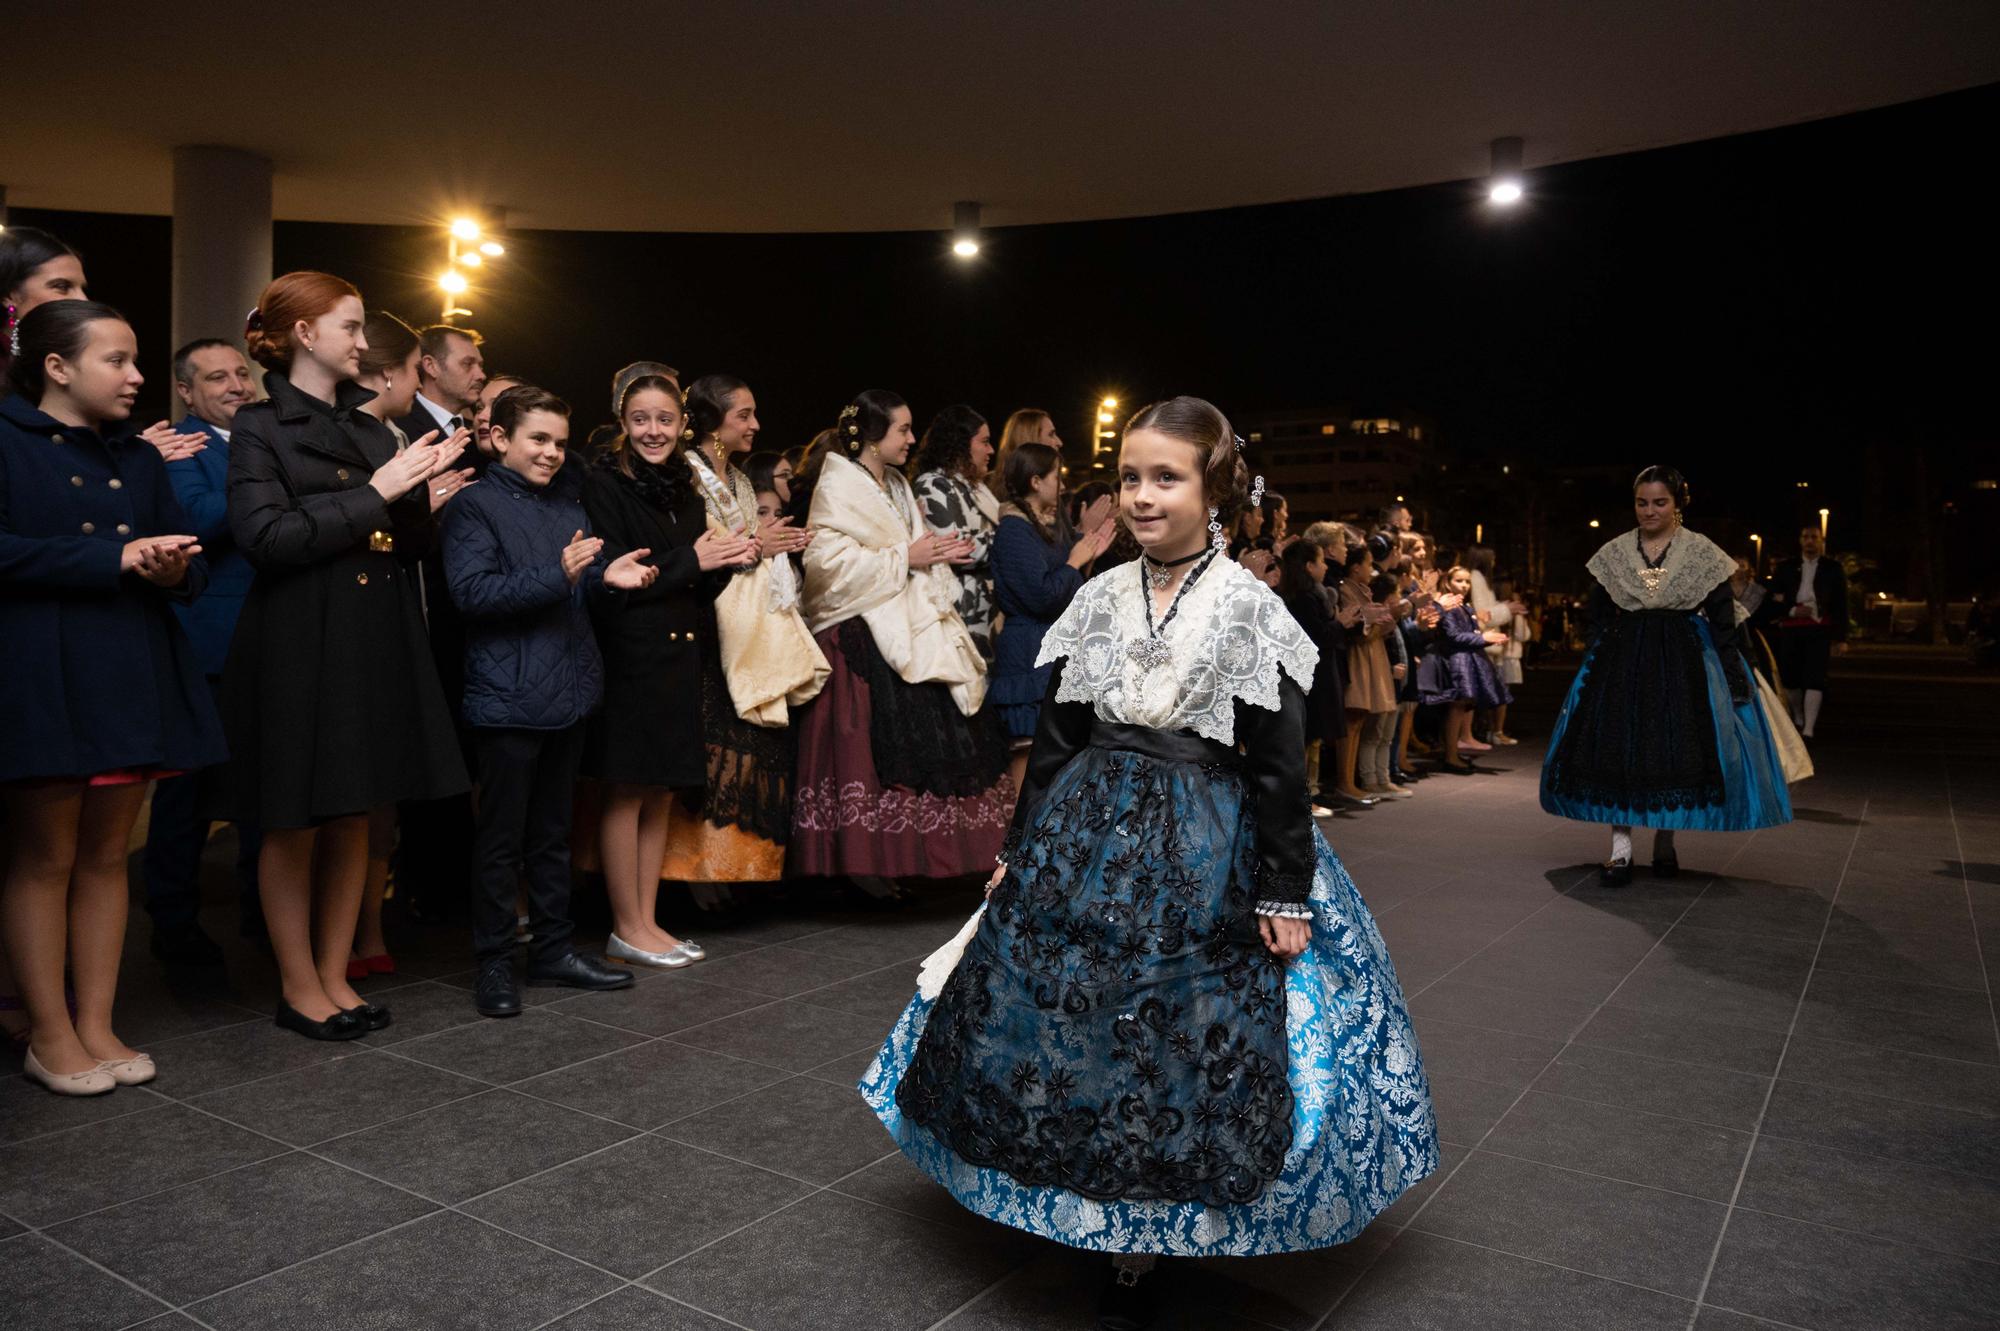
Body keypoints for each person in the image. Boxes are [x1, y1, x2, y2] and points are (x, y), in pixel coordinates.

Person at [862, 397, 1437, 1327]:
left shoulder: (1248, 605)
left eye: (1165, 477)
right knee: (1075, 1016)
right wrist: (1019, 850)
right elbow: (1056, 741)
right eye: (1130, 475)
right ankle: (1085, 1202)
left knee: (1173, 1029)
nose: (1140, 494)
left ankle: (1143, 1232)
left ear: (1215, 490)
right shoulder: (1096, 596)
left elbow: (1278, 764)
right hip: (1087, 831)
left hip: (1209, 838)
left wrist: (1283, 885)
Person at [213, 271, 471, 1040]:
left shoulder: (369, 428)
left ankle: (335, 972)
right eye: (351, 327)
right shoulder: (260, 425)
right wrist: (381, 493)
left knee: (357, 810)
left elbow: (405, 543)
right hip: (300, 635)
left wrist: (425, 499)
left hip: (373, 631)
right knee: (294, 818)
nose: (365, 344)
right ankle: (299, 984)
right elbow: (265, 538)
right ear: (304, 334)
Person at [1, 300, 227, 1094]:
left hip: (131, 664)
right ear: (56, 367)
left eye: (136, 360)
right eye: (117, 361)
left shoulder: (138, 456)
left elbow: (191, 558)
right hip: (42, 669)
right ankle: (49, 1032)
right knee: (45, 857)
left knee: (104, 855)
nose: (137, 377)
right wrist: (112, 558)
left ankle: (96, 1020)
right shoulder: (6, 438)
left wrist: (173, 568)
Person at [443, 385, 651, 1015]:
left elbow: (574, 585)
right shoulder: (472, 506)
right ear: (499, 438)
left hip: (569, 690)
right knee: (501, 840)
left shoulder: (568, 504)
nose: (553, 452)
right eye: (538, 439)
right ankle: (496, 965)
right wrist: (560, 575)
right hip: (505, 696)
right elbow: (472, 595)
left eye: (560, 442)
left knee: (554, 834)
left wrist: (603, 579)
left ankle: (555, 952)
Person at [793, 390, 1013, 885]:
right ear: (872, 436)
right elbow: (826, 565)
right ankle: (869, 868)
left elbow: (912, 548)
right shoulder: (840, 485)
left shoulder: (895, 482)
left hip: (909, 620)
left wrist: (929, 555)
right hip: (862, 632)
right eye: (903, 430)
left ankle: (912, 864)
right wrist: (904, 559)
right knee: (870, 749)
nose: (913, 439)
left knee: (934, 739)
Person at [1541, 466, 1792, 884]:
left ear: (1678, 505)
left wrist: (1734, 671)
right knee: (1618, 749)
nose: (1649, 511)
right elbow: (1596, 611)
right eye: (1642, 502)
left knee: (1676, 750)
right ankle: (1620, 851)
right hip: (1624, 662)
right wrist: (1601, 649)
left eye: (1660, 502)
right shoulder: (1615, 551)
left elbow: (1723, 617)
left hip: (1684, 663)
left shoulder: (1702, 553)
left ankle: (1664, 843)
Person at [583, 374, 753, 967]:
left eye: (664, 419)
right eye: (640, 419)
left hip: (681, 650)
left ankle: (648, 923)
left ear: (682, 424)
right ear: (623, 423)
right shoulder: (603, 483)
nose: (653, 431)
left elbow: (692, 579)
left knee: (657, 794)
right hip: (631, 653)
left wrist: (729, 559)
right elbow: (625, 576)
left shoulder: (683, 484)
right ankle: (626, 926)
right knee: (626, 790)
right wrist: (695, 559)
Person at [664, 374, 825, 890]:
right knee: (708, 750)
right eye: (744, 415)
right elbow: (703, 543)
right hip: (701, 617)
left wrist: (766, 545)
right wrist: (758, 543)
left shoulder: (734, 478)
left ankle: (726, 871)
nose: (755, 424)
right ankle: (689, 874)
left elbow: (745, 542)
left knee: (743, 745)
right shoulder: (682, 472)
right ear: (712, 421)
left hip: (742, 623)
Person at [137, 339, 265, 966]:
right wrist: (275, 493)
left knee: (263, 792)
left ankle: (260, 913)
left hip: (270, 640)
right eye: (218, 377)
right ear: (187, 391)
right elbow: (195, 517)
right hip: (209, 644)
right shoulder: (179, 447)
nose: (238, 384)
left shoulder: (261, 438)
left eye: (242, 372)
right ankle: (174, 924)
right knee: (187, 796)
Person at [393, 324, 489, 927]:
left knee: (462, 754)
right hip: (423, 608)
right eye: (470, 362)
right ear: (428, 366)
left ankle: (452, 887)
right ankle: (423, 889)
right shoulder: (404, 432)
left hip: (471, 614)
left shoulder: (475, 439)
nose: (480, 372)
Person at [988, 441, 1115, 796]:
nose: (1061, 485)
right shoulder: (1014, 530)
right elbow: (1041, 596)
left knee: (1056, 761)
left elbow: (1062, 587)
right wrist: (1076, 560)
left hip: (1047, 652)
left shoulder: (1040, 527)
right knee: (1027, 758)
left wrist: (1084, 552)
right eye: (1054, 477)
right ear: (1034, 481)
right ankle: (1017, 844)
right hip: (1027, 655)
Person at [912, 405, 1001, 657]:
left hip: (987, 614)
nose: (990, 450)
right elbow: (957, 548)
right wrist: (1015, 538)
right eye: (984, 442)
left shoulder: (974, 487)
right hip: (963, 615)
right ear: (960, 444)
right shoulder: (933, 484)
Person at [1420, 566, 1512, 772]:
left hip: (1465, 661)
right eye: (1459, 581)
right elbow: (1453, 636)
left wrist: (1484, 638)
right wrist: (1483, 638)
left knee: (1460, 708)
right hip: (1456, 662)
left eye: (1467, 582)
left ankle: (1452, 752)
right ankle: (1450, 756)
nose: (1464, 585)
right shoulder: (1449, 606)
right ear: (1447, 582)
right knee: (1456, 708)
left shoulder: (1463, 606)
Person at [1760, 525, 1848, 739]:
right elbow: (1772, 600)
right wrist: (1791, 609)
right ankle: (1798, 715)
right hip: (1791, 629)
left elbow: (1841, 604)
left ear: (1821, 540)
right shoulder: (1786, 568)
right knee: (1790, 676)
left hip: (1820, 628)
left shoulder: (1833, 569)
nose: (1810, 541)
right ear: (1800, 540)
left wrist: (1841, 638)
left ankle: (1809, 728)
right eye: (1806, 537)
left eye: (1814, 537)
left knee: (1815, 676)